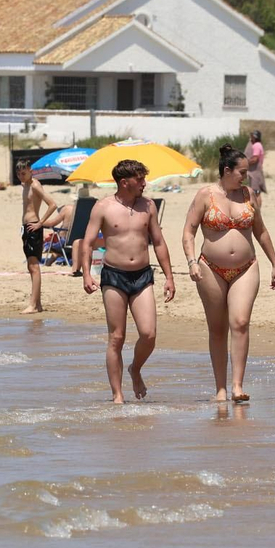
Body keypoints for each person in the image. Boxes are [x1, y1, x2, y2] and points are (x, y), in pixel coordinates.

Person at [180, 144, 275, 402]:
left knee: (240, 322)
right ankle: (220, 389)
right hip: (209, 268)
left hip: (246, 268)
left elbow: (261, 231)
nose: (245, 177)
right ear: (227, 171)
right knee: (217, 328)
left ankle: (237, 385)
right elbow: (189, 232)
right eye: (242, 172)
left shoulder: (248, 195)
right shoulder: (205, 195)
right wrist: (191, 262)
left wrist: (274, 263)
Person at [81, 159, 176, 404]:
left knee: (149, 334)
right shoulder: (103, 207)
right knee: (117, 337)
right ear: (125, 182)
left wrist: (169, 276)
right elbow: (87, 242)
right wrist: (86, 273)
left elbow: (158, 242)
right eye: (140, 179)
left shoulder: (149, 206)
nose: (144, 184)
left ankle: (135, 369)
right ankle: (117, 395)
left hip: (143, 275)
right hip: (114, 275)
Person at [18, 163, 61, 314]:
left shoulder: (35, 186)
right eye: (18, 174)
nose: (21, 176)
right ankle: (38, 304)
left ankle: (32, 305)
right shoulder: (25, 185)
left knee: (34, 267)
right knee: (31, 266)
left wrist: (40, 223)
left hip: (33, 228)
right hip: (27, 228)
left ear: (30, 171)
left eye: (23, 173)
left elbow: (52, 204)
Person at [246, 130, 266, 207]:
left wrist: (245, 163)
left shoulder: (257, 145)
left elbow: (255, 159)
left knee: (256, 192)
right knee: (255, 192)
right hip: (255, 172)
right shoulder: (258, 145)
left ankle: (257, 210)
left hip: (255, 172)